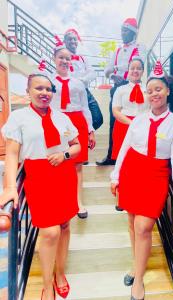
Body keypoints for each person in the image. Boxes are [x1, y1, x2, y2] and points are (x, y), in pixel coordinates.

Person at [110, 61, 173, 300]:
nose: (154, 94)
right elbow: (125, 148)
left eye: (158, 89)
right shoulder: (138, 120)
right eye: (150, 91)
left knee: (144, 226)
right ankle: (136, 265)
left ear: (168, 90)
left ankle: (138, 280)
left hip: (156, 175)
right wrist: (115, 175)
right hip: (132, 170)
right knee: (132, 223)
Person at [0, 74, 81, 300]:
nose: (44, 93)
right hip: (38, 177)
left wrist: (63, 154)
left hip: (64, 174)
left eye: (48, 89)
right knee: (50, 231)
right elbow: (12, 154)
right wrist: (9, 187)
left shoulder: (63, 118)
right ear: (29, 91)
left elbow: (77, 146)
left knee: (64, 226)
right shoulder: (19, 118)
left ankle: (60, 273)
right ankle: (47, 285)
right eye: (39, 88)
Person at [50, 38, 96, 219]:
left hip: (77, 122)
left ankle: (78, 203)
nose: (64, 61)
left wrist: (91, 130)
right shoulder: (49, 81)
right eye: (61, 58)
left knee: (77, 166)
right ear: (55, 59)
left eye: (67, 59)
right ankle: (58, 201)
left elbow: (85, 107)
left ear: (72, 61)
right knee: (57, 162)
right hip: (57, 120)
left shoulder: (78, 83)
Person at [96, 17, 146, 166]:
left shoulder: (139, 47)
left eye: (125, 31)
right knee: (114, 122)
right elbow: (107, 69)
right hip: (119, 87)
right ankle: (112, 155)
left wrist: (118, 68)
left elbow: (137, 64)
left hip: (134, 86)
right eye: (122, 30)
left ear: (133, 33)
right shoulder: (117, 50)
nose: (122, 33)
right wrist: (112, 75)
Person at [63, 28, 103, 132]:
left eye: (74, 39)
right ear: (65, 42)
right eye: (69, 39)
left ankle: (83, 135)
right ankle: (77, 139)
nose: (72, 41)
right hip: (71, 93)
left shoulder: (82, 58)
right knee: (74, 118)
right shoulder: (63, 58)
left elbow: (93, 73)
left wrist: (83, 80)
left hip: (85, 91)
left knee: (98, 118)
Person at [111, 57, 149, 160]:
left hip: (144, 125)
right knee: (123, 159)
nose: (135, 71)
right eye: (132, 68)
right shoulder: (120, 89)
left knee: (141, 157)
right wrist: (132, 123)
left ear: (143, 71)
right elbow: (115, 111)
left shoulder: (149, 89)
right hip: (123, 125)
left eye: (139, 68)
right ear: (128, 70)